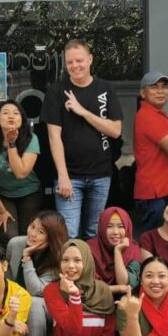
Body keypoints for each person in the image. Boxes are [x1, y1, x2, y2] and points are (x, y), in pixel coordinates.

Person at [41, 40, 123, 239]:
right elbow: (54, 137)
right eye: (70, 62)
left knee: (95, 233)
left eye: (79, 60)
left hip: (101, 173)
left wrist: (82, 111)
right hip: (70, 176)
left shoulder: (105, 89)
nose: (75, 66)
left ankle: (92, 271)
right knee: (68, 233)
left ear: (90, 59)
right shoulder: (56, 91)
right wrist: (63, 176)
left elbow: (115, 131)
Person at [11, 212, 69, 336]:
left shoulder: (58, 256)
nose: (33, 233)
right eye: (32, 226)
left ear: (51, 237)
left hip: (47, 309)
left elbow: (37, 291)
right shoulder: (16, 244)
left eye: (41, 231)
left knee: (34, 303)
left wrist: (27, 259)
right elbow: (8, 281)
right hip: (16, 305)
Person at [133, 71, 168, 233]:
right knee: (155, 249)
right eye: (154, 87)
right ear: (142, 93)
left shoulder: (158, 115)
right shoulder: (148, 115)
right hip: (156, 195)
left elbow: (163, 154)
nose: (160, 91)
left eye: (164, 86)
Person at [0, 100, 42, 243]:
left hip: (29, 192)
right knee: (9, 235)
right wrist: (0, 210)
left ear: (22, 120)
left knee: (28, 237)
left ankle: (26, 265)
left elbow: (21, 173)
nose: (11, 116)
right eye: (5, 113)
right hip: (3, 195)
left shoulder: (31, 139)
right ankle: (8, 264)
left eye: (16, 113)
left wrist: (11, 143)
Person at [87, 207, 141, 296]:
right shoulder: (89, 248)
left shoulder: (133, 250)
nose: (115, 232)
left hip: (124, 302)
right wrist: (118, 289)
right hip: (96, 301)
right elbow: (88, 287)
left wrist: (118, 251)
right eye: (109, 226)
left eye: (120, 226)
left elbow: (124, 282)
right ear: (102, 227)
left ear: (127, 228)